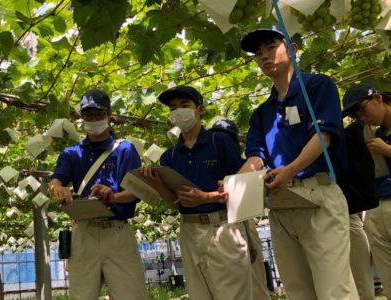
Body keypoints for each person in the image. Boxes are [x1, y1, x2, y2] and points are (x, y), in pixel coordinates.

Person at [239, 26, 356, 299]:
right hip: (281, 205)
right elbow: (256, 158)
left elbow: (323, 137)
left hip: (319, 198)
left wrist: (290, 168)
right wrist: (237, 182)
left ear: (292, 49)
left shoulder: (317, 86)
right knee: (299, 291)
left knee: (333, 291)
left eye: (271, 47)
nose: (265, 56)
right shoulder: (262, 113)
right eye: (258, 53)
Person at [139, 86, 268, 299]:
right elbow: (177, 204)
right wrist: (157, 183)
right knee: (199, 293)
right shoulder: (170, 157)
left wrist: (208, 197)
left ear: (199, 110)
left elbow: (246, 187)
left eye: (184, 105)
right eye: (173, 108)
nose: (178, 111)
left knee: (233, 294)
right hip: (189, 230)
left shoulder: (220, 142)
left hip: (223, 227)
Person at [48, 89, 148, 300]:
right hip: (84, 233)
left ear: (109, 114)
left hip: (117, 231)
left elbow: (136, 192)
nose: (93, 119)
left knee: (131, 295)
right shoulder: (71, 153)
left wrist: (113, 196)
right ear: (81, 117)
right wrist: (58, 189)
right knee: (81, 295)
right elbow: (56, 180)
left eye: (98, 114)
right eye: (88, 115)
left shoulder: (125, 150)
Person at [209, 118, 271, 299]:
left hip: (239, 221)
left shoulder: (243, 164)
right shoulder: (216, 158)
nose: (223, 141)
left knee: (253, 276)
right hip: (227, 223)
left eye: (227, 138)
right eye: (219, 137)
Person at [342, 83, 391, 297]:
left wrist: (388, 150)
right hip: (377, 207)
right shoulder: (370, 134)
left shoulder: (379, 141)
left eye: (362, 109)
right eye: (356, 115)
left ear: (377, 98)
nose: (362, 117)